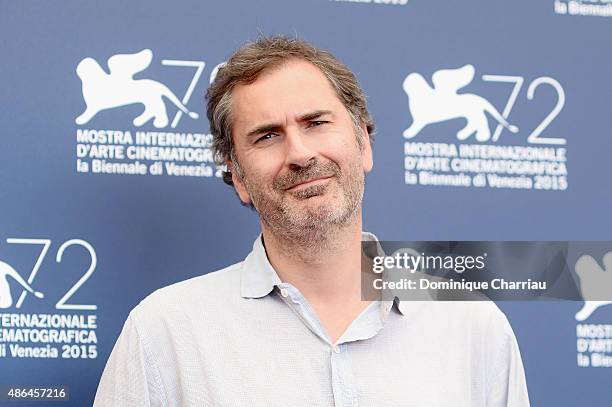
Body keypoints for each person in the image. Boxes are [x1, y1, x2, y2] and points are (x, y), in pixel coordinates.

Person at [94, 36, 530, 406]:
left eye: (316, 122)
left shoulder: (471, 325)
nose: (300, 154)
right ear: (239, 177)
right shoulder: (163, 333)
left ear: (363, 144)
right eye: (267, 136)